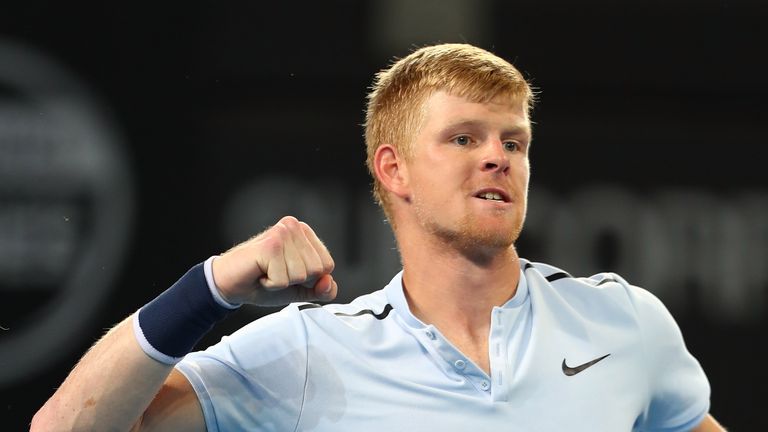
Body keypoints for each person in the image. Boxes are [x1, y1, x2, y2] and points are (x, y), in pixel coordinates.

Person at [32, 43, 726, 431]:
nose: (499, 157)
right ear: (393, 169)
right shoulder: (310, 354)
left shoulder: (622, 323)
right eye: (464, 138)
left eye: (514, 141)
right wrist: (208, 288)